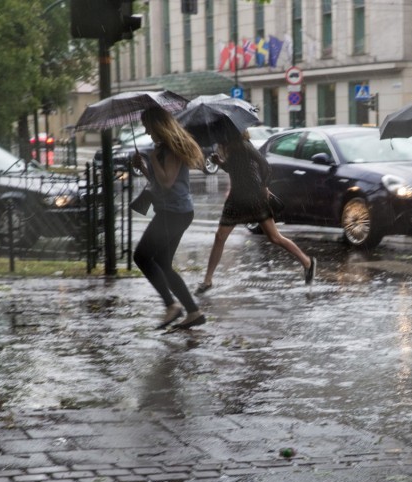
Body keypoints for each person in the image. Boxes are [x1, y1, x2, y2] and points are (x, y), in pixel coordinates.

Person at [195, 129, 315, 294]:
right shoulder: (231, 147)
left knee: (274, 237)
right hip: (236, 198)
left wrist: (265, 186)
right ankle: (207, 280)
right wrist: (221, 162)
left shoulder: (244, 145)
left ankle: (307, 262)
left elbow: (264, 165)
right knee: (219, 236)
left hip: (254, 196)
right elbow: (234, 169)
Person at [130, 106, 207, 329]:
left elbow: (167, 182)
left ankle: (171, 305)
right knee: (163, 263)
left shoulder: (170, 149)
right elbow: (160, 184)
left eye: (147, 127)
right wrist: (144, 168)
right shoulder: (164, 148)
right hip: (175, 211)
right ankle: (193, 312)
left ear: (156, 125)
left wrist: (152, 159)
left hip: (173, 213)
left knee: (142, 257)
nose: (146, 132)